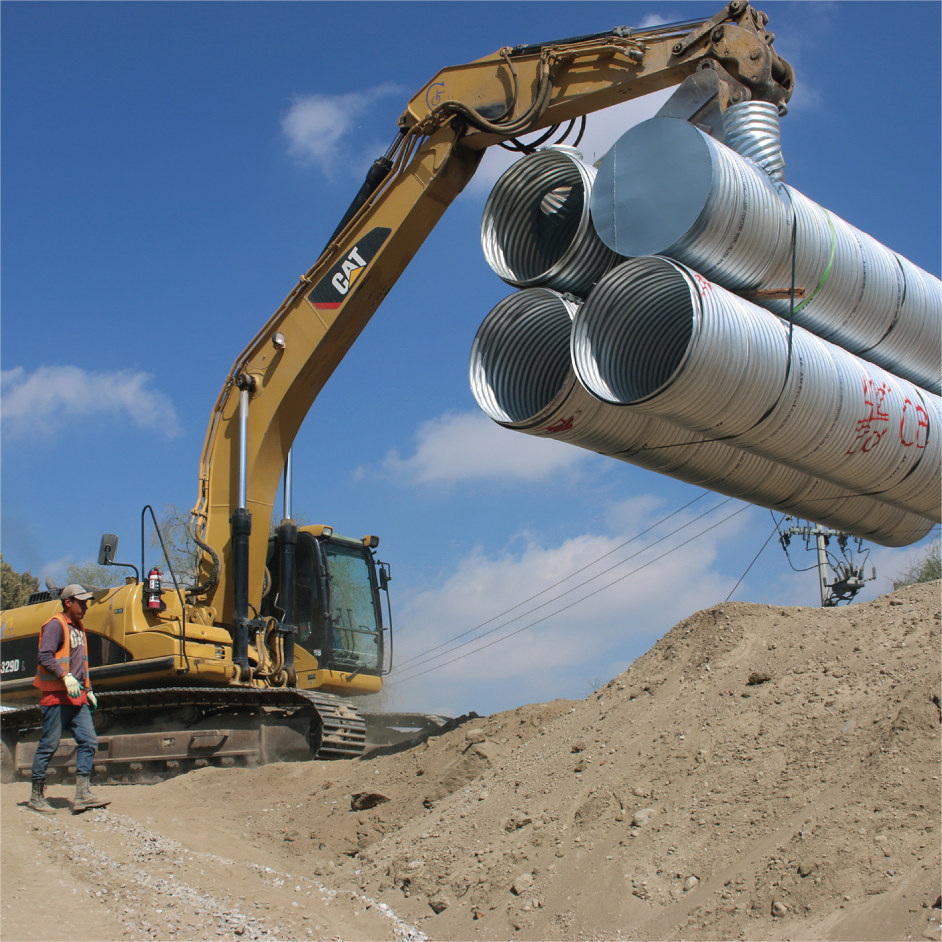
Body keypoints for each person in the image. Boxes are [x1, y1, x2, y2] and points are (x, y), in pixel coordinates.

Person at [29, 584, 110, 815]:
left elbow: (80, 664)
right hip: (56, 697)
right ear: (68, 602)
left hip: (78, 697)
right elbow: (44, 656)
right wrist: (65, 677)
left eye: (86, 602)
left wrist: (89, 689)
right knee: (49, 745)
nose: (86, 606)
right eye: (82, 602)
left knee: (89, 742)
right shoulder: (56, 624)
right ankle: (36, 797)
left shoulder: (79, 627)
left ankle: (83, 794)